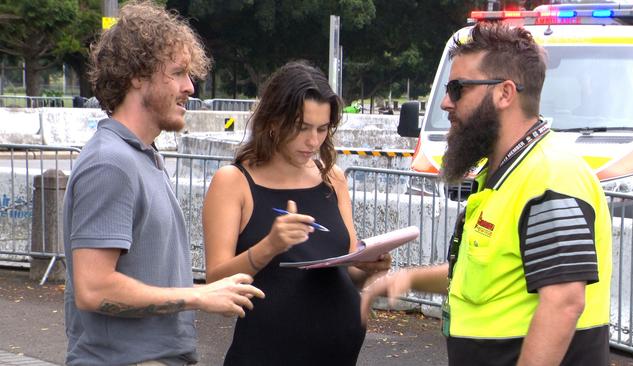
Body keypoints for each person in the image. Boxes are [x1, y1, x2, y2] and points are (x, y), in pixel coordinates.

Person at [361, 22, 612, 366]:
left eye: (458, 88)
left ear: (505, 93)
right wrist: (408, 278)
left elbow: (564, 301)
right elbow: (489, 277)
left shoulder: (550, 175)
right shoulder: (503, 175)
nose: (447, 103)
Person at [62, 2, 264, 365]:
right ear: (137, 75)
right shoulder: (112, 163)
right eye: (178, 73)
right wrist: (197, 296)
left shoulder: (140, 157)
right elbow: (93, 289)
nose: (190, 87)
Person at [202, 61, 391, 366]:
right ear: (273, 121)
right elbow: (216, 282)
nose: (313, 141)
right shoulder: (234, 182)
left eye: (322, 128)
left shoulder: (332, 178)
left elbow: (345, 273)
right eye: (302, 127)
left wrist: (367, 265)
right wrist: (270, 246)